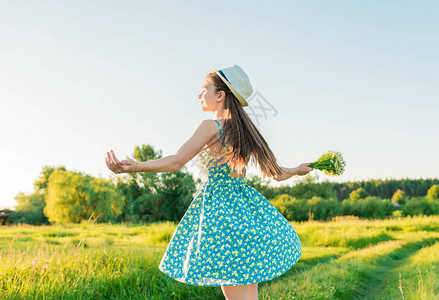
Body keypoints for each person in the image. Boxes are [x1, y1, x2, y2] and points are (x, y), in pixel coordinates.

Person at [105, 64, 313, 300]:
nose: (199, 95)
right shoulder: (245, 132)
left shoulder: (209, 126)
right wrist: (296, 170)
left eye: (204, 89)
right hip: (247, 213)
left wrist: (137, 167)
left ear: (220, 95)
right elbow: (277, 174)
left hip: (222, 215)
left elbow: (176, 161)